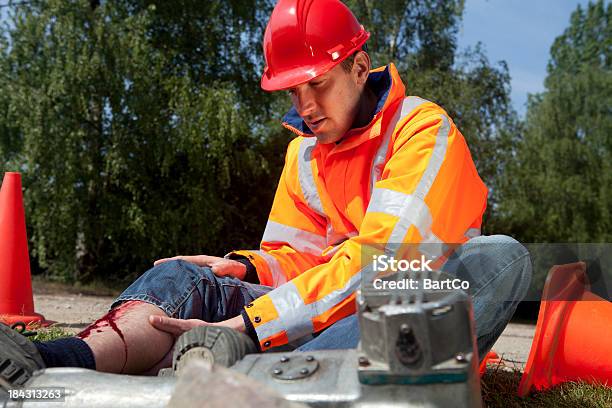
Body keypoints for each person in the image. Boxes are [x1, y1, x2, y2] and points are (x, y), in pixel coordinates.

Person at [0, 0, 531, 388]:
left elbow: (383, 265)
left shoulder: (421, 129)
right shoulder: (304, 153)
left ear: (358, 66)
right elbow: (297, 260)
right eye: (292, 90)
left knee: (500, 260)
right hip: (313, 321)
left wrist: (248, 327)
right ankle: (55, 359)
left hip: (405, 310)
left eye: (316, 83)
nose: (304, 105)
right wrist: (250, 270)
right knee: (191, 278)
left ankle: (262, 383)